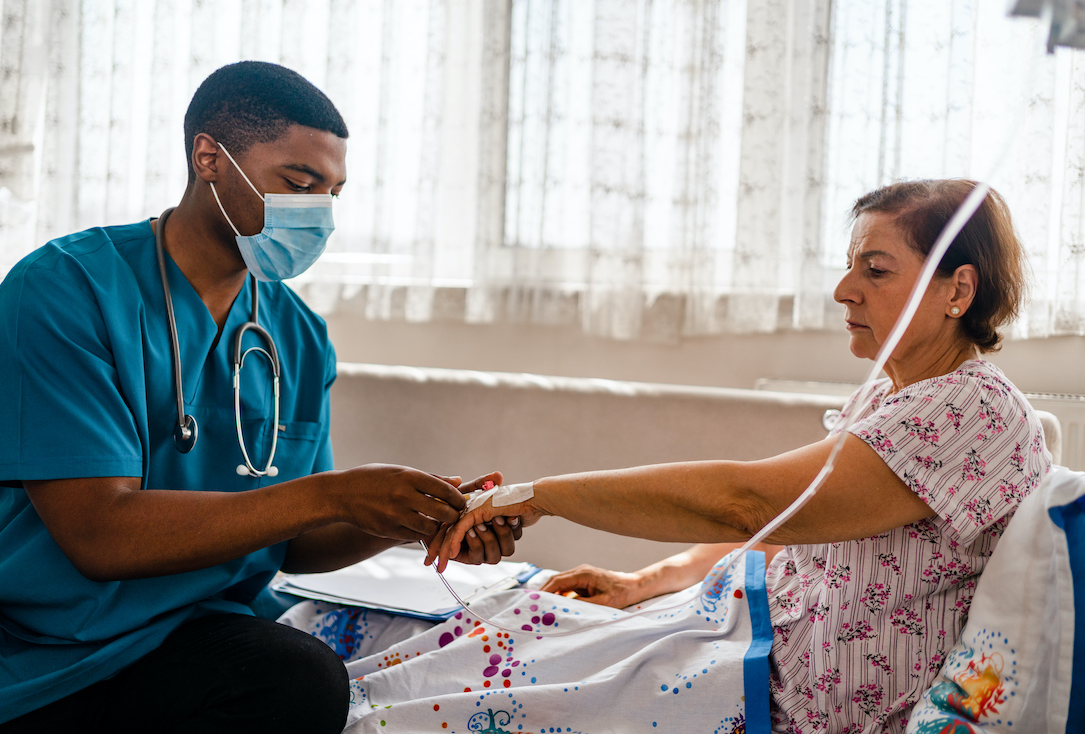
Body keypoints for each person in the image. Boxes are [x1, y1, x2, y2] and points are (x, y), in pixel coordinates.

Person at [303, 179, 1048, 733]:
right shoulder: (899, 390)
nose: (843, 289)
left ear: (959, 290)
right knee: (486, 627)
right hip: (741, 622)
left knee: (452, 699)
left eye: (875, 270)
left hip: (786, 690)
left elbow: (748, 501)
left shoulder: (966, 411)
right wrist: (644, 582)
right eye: (851, 265)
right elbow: (785, 521)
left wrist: (537, 495)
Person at [0, 61, 517, 733]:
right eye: (299, 183)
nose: (318, 211)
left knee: (294, 677)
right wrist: (334, 493)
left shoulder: (296, 333)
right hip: (43, 649)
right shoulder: (64, 290)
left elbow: (298, 542)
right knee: (291, 680)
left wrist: (407, 519)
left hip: (188, 632)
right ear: (209, 156)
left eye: (332, 192)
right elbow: (99, 535)